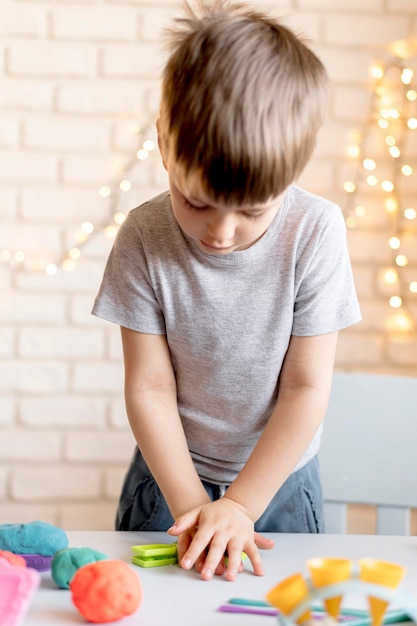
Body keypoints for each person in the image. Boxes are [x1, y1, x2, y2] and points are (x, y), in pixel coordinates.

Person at [92, 0, 361, 582]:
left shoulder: (315, 232)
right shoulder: (143, 235)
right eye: (196, 202)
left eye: (251, 211)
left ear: (294, 172)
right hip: (166, 480)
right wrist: (194, 508)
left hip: (279, 485)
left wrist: (239, 507)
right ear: (165, 145)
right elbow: (149, 385)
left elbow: (306, 387)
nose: (220, 232)